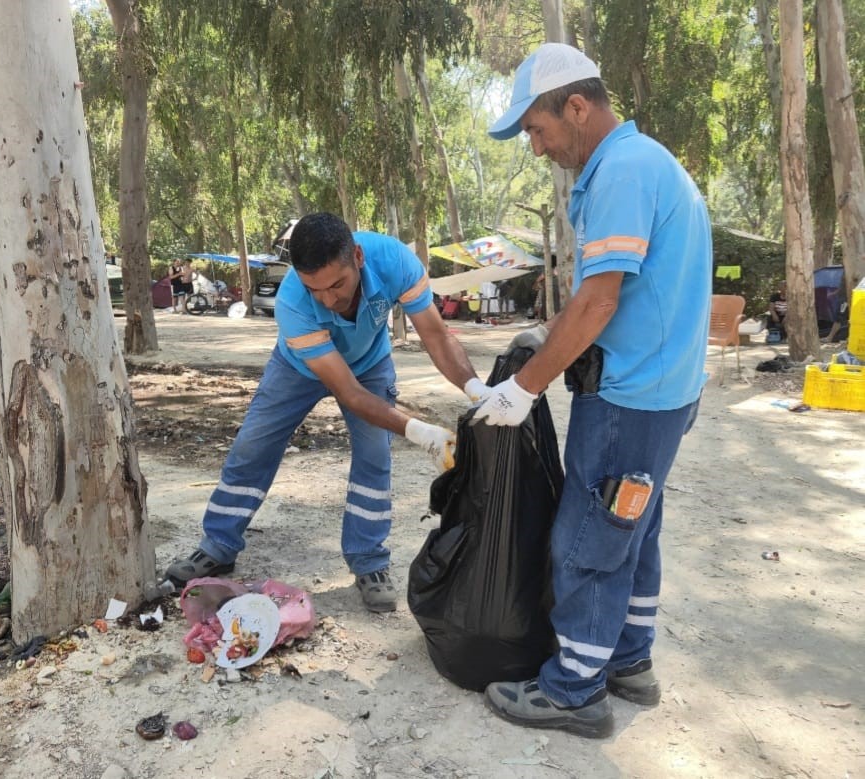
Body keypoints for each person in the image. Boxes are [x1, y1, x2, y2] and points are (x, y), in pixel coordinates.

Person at [474, 43, 711, 738]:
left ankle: (575, 686)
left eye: (538, 130)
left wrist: (523, 385)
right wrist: (549, 338)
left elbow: (600, 300)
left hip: (630, 397)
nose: (537, 146)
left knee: (588, 537)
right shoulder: (647, 163)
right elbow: (616, 294)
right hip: (666, 392)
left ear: (576, 106)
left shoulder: (622, 172)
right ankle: (629, 659)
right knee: (633, 527)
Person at [164, 212, 488, 612]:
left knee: (374, 457)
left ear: (357, 256)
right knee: (252, 448)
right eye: (315, 289)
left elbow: (437, 337)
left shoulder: (395, 261)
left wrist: (477, 391)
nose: (329, 300)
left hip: (370, 363)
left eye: (337, 284)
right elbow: (349, 394)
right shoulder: (292, 305)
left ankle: (369, 561)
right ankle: (218, 546)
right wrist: (422, 432)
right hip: (298, 367)